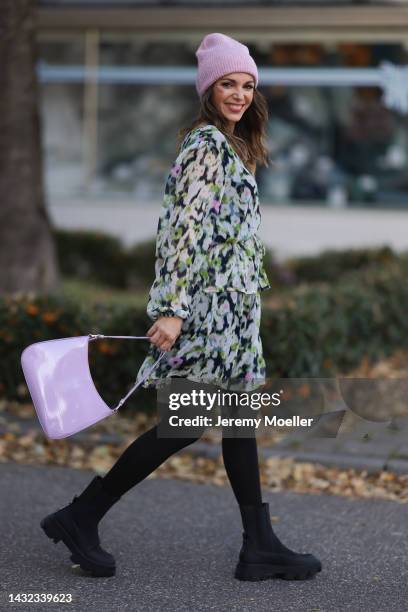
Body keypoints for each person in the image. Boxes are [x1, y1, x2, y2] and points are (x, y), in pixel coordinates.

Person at [40, 32, 322, 582]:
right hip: (208, 314)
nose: (238, 94)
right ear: (207, 89)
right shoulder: (205, 149)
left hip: (235, 316)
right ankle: (81, 514)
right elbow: (181, 232)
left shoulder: (231, 146)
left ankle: (259, 544)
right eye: (227, 84)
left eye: (246, 85)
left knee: (236, 421)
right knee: (187, 424)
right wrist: (171, 307)